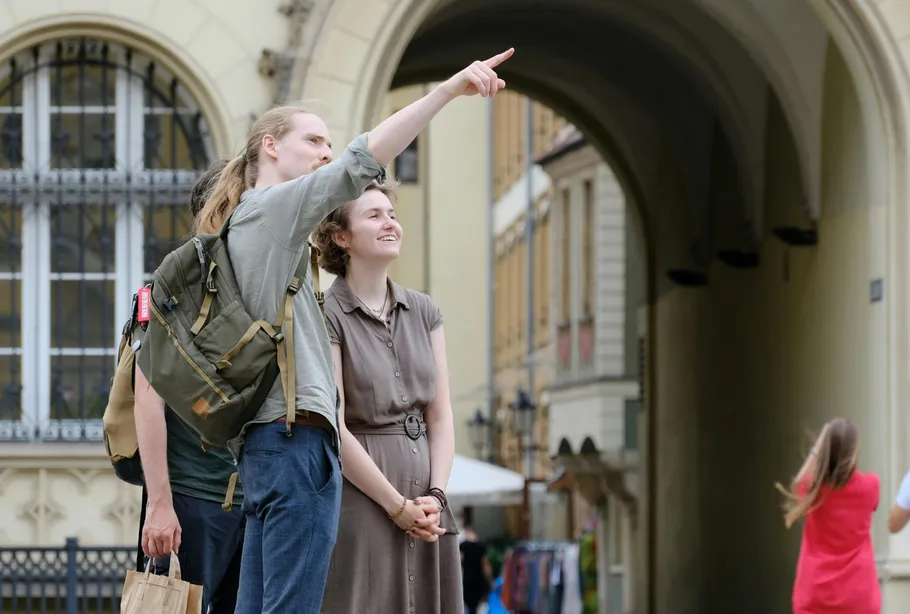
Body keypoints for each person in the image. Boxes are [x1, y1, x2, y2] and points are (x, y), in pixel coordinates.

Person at [133, 47, 515, 614]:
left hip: (263, 449)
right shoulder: (273, 210)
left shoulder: (244, 224)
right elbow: (364, 160)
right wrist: (445, 90)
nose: (326, 152)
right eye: (313, 140)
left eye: (328, 143)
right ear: (270, 146)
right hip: (298, 446)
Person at [312, 180, 460, 612]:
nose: (390, 223)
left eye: (392, 215)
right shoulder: (327, 314)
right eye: (374, 216)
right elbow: (334, 427)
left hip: (429, 504)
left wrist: (436, 496)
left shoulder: (425, 310)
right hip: (363, 500)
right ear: (342, 237)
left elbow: (440, 416)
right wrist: (397, 507)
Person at [135, 158, 246, 614]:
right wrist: (160, 504)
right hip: (192, 500)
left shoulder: (263, 287)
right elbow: (147, 401)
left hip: (255, 500)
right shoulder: (176, 286)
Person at [775, 418, 880, 614]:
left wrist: (818, 447)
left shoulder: (814, 490)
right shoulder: (870, 486)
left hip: (814, 595)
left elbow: (798, 485)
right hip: (859, 597)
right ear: (854, 452)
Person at [460, 525, 493, 614]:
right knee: (476, 603)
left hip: (467, 577)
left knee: (469, 603)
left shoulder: (463, 545)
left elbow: (460, 561)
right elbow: (485, 565)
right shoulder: (481, 546)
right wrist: (490, 580)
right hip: (478, 579)